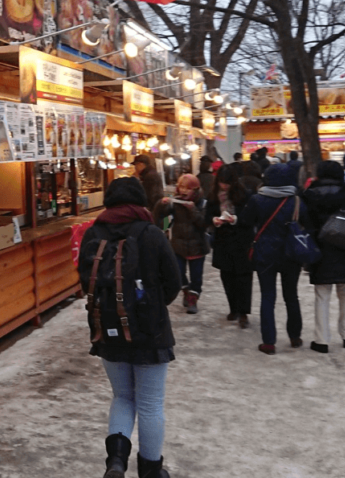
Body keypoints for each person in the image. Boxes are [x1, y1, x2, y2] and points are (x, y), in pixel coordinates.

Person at [80, 178, 181, 478]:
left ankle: (116, 462)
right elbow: (173, 283)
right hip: (150, 333)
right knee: (150, 404)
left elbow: (87, 280)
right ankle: (151, 470)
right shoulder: (151, 234)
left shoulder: (92, 233)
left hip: (107, 328)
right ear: (140, 202)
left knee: (123, 397)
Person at [240, 163, 306, 354]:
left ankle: (269, 341)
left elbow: (245, 221)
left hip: (265, 253)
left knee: (268, 296)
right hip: (291, 253)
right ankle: (295, 336)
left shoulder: (257, 199)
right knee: (291, 295)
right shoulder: (296, 200)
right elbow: (307, 222)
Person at [302, 161, 345, 353]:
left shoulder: (310, 194)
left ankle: (322, 340)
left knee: (322, 295)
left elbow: (305, 222)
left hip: (321, 250)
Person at [207, 164, 255, 328]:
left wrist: (235, 219)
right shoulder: (213, 195)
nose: (224, 186)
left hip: (241, 241)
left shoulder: (244, 194)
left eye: (227, 183)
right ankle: (233, 308)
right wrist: (214, 220)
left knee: (243, 278)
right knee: (227, 276)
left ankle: (243, 312)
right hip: (223, 241)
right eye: (221, 182)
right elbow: (208, 215)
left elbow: (250, 218)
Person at [153, 174, 210, 314]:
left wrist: (192, 209)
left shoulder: (203, 204)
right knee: (178, 273)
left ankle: (193, 300)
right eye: (181, 187)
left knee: (196, 277)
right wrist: (161, 204)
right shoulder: (175, 203)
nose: (184, 191)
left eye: (188, 188)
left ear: (195, 189)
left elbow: (203, 224)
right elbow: (159, 218)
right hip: (178, 246)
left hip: (198, 247)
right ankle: (186, 291)